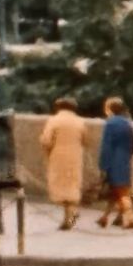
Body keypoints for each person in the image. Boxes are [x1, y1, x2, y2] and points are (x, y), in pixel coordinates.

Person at [39, 97, 87, 231]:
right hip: (75, 156)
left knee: (61, 186)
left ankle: (68, 217)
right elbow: (85, 140)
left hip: (58, 156)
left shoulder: (54, 120)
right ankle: (72, 212)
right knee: (73, 185)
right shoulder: (80, 121)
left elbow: (46, 140)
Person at [97, 97, 133, 230]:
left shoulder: (110, 124)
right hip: (124, 159)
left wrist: (103, 165)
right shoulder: (127, 123)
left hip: (113, 161)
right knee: (116, 191)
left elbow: (106, 146)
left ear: (109, 109)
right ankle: (105, 217)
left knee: (120, 192)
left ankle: (131, 219)